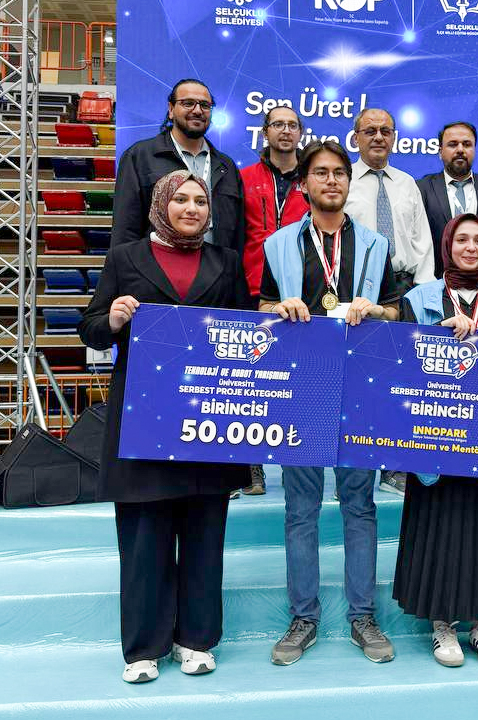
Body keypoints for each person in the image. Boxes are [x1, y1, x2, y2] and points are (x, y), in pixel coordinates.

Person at [79, 170, 250, 684]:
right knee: (144, 539)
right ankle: (143, 648)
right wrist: (112, 319)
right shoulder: (124, 258)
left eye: (201, 200)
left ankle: (195, 640)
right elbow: (89, 327)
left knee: (204, 536)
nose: (192, 208)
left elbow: (248, 331)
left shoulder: (226, 262)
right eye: (181, 199)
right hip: (142, 420)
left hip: (208, 419)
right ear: (160, 204)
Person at [259, 140, 400, 667]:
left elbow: (395, 310)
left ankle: (363, 615)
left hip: (359, 389)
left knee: (360, 506)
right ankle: (304, 617)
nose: (332, 180)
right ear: (304, 184)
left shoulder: (375, 245)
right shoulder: (279, 245)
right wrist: (279, 307)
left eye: (340, 172)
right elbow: (260, 307)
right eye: (321, 173)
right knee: (301, 509)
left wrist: (377, 311)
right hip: (300, 389)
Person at [393, 213, 478, 668]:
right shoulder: (419, 298)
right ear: (447, 245)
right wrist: (438, 335)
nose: (471, 247)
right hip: (438, 432)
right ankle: (443, 625)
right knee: (442, 525)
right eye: (462, 239)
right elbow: (402, 362)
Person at [345, 107, 434, 496]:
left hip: (402, 287)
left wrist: (423, 293)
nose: (378, 137)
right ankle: (355, 470)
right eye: (370, 131)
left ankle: (394, 466)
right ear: (356, 138)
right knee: (361, 380)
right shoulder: (343, 180)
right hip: (358, 291)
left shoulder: (407, 183)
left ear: (395, 137)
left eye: (385, 130)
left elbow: (421, 241)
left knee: (402, 381)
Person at [239, 105, 310, 495]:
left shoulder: (312, 178)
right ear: (265, 132)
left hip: (300, 294)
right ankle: (252, 468)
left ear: (301, 133)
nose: (285, 130)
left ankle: (295, 464)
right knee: (251, 382)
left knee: (295, 381)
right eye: (278, 124)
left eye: (292, 125)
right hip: (252, 290)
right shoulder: (244, 177)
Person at [111, 78, 245, 256]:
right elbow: (125, 227)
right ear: (171, 109)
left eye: (205, 105)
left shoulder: (226, 166)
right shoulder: (140, 157)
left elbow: (238, 234)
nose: (197, 110)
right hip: (156, 269)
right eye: (188, 103)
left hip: (216, 269)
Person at [416, 122, 478, 281]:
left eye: (467, 144)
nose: (460, 150)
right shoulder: (422, 188)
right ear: (440, 152)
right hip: (436, 283)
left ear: (474, 150)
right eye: (452, 144)